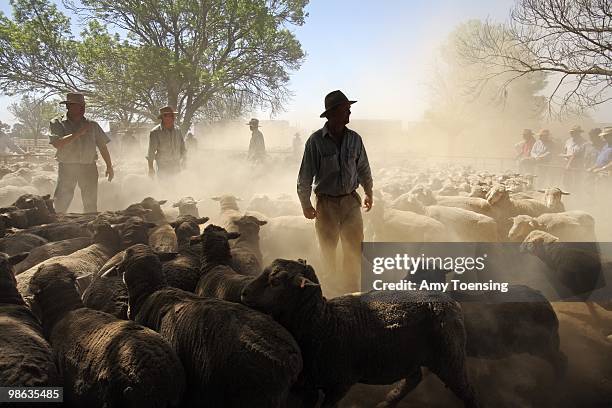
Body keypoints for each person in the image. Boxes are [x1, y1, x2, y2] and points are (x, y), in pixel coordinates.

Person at [297, 90, 373, 294]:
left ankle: (352, 294)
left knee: (354, 251)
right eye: (345, 109)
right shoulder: (315, 141)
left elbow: (363, 168)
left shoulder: (355, 139)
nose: (349, 113)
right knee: (328, 252)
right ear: (331, 114)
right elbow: (305, 175)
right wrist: (305, 203)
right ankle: (331, 295)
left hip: (350, 202)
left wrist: (368, 192)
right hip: (327, 204)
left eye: (349, 109)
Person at [49, 92, 113, 214]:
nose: (83, 108)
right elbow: (57, 143)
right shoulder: (57, 123)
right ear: (68, 106)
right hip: (67, 168)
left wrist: (109, 166)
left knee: (90, 204)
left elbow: (102, 147)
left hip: (88, 167)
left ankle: (90, 226)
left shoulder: (92, 125)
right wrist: (78, 133)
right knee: (61, 202)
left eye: (83, 105)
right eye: (79, 105)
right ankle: (57, 226)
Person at [147, 106, 186, 178]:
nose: (171, 117)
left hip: (176, 166)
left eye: (172, 115)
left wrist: (185, 160)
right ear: (162, 117)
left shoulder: (178, 130)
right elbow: (151, 152)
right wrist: (151, 168)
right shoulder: (155, 132)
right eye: (167, 115)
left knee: (177, 187)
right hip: (163, 168)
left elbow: (182, 147)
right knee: (164, 187)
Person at [560, 125, 586, 190]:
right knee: (566, 181)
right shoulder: (568, 141)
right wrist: (564, 156)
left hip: (577, 165)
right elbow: (565, 151)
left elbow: (576, 155)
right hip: (566, 163)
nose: (572, 133)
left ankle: (575, 195)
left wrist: (566, 157)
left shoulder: (583, 142)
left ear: (578, 133)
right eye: (571, 132)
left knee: (576, 182)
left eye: (574, 132)